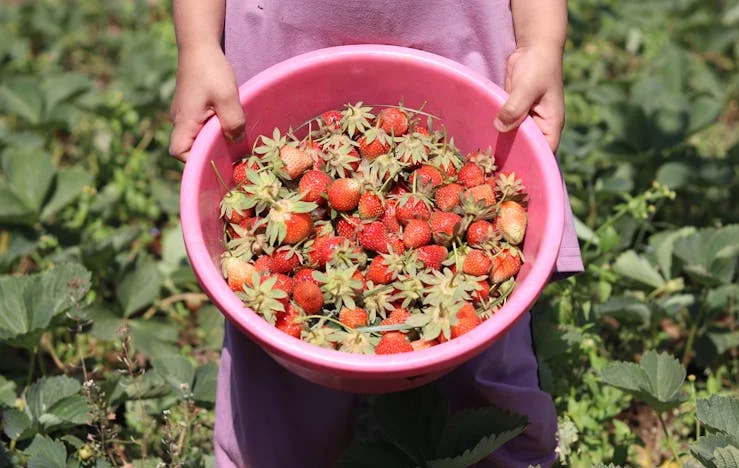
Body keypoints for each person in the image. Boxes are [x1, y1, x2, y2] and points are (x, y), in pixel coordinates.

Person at [169, 1, 584, 466]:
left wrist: (540, 42)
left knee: (486, 350)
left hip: (460, 40)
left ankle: (499, 451)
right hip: (282, 34)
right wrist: (199, 44)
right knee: (275, 371)